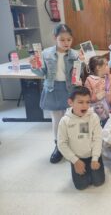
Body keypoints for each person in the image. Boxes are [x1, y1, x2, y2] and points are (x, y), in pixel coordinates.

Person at [30, 24, 84, 164]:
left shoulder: (75, 54)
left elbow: (78, 74)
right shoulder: (46, 53)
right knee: (57, 119)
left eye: (69, 40)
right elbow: (42, 73)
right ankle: (58, 146)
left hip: (69, 89)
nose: (66, 43)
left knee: (71, 118)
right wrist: (35, 67)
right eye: (62, 40)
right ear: (55, 38)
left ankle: (72, 144)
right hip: (53, 89)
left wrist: (83, 63)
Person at [57, 86, 105, 190]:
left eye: (87, 102)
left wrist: (95, 158)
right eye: (80, 102)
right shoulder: (64, 121)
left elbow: (97, 138)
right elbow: (62, 144)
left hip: (93, 156)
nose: (85, 106)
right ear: (70, 102)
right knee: (81, 186)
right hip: (77, 158)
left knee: (99, 182)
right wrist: (75, 161)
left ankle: (92, 169)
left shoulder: (94, 117)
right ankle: (81, 169)